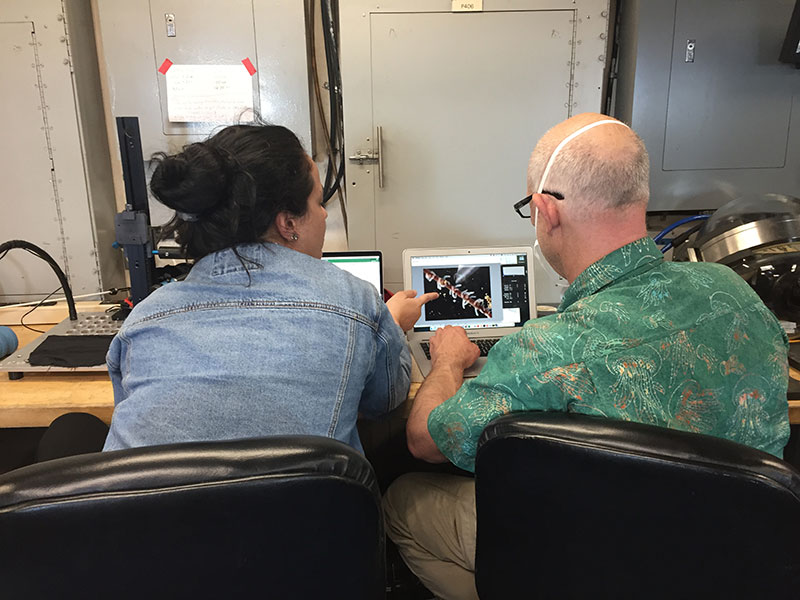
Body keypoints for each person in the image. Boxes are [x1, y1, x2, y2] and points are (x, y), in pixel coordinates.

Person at [382, 113, 791, 600]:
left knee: (402, 501)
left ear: (545, 211)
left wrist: (448, 360)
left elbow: (425, 440)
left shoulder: (548, 348)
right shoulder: (733, 291)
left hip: (603, 566)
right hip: (737, 560)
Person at [103, 123, 436, 452]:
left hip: (146, 506)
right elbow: (386, 400)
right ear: (288, 223)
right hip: (306, 505)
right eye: (320, 203)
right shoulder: (355, 301)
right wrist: (388, 325)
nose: (323, 216)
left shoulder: (142, 320)